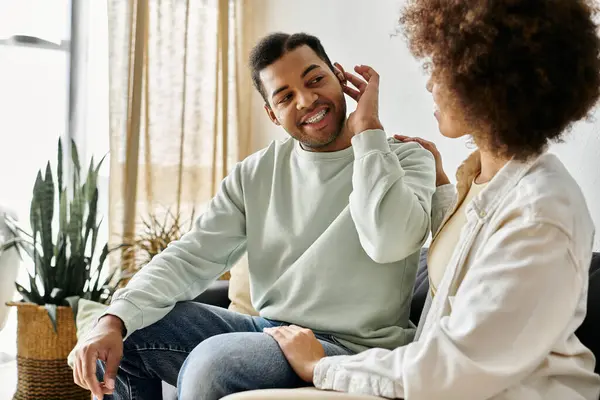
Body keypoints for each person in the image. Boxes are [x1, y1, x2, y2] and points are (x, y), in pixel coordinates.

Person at [259, 1, 600, 399]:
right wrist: (442, 188)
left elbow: (454, 368)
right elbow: (463, 269)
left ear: (487, 83)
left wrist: (320, 366)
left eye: (440, 69)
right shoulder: (484, 182)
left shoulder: (541, 213)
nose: (429, 84)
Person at [71, 32, 437, 400]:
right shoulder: (255, 173)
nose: (307, 100)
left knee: (213, 363)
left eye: (315, 80)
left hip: (352, 349)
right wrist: (113, 319)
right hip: (268, 331)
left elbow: (388, 242)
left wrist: (369, 132)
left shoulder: (405, 160)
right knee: (129, 333)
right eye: (286, 96)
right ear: (272, 114)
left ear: (339, 77)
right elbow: (189, 255)